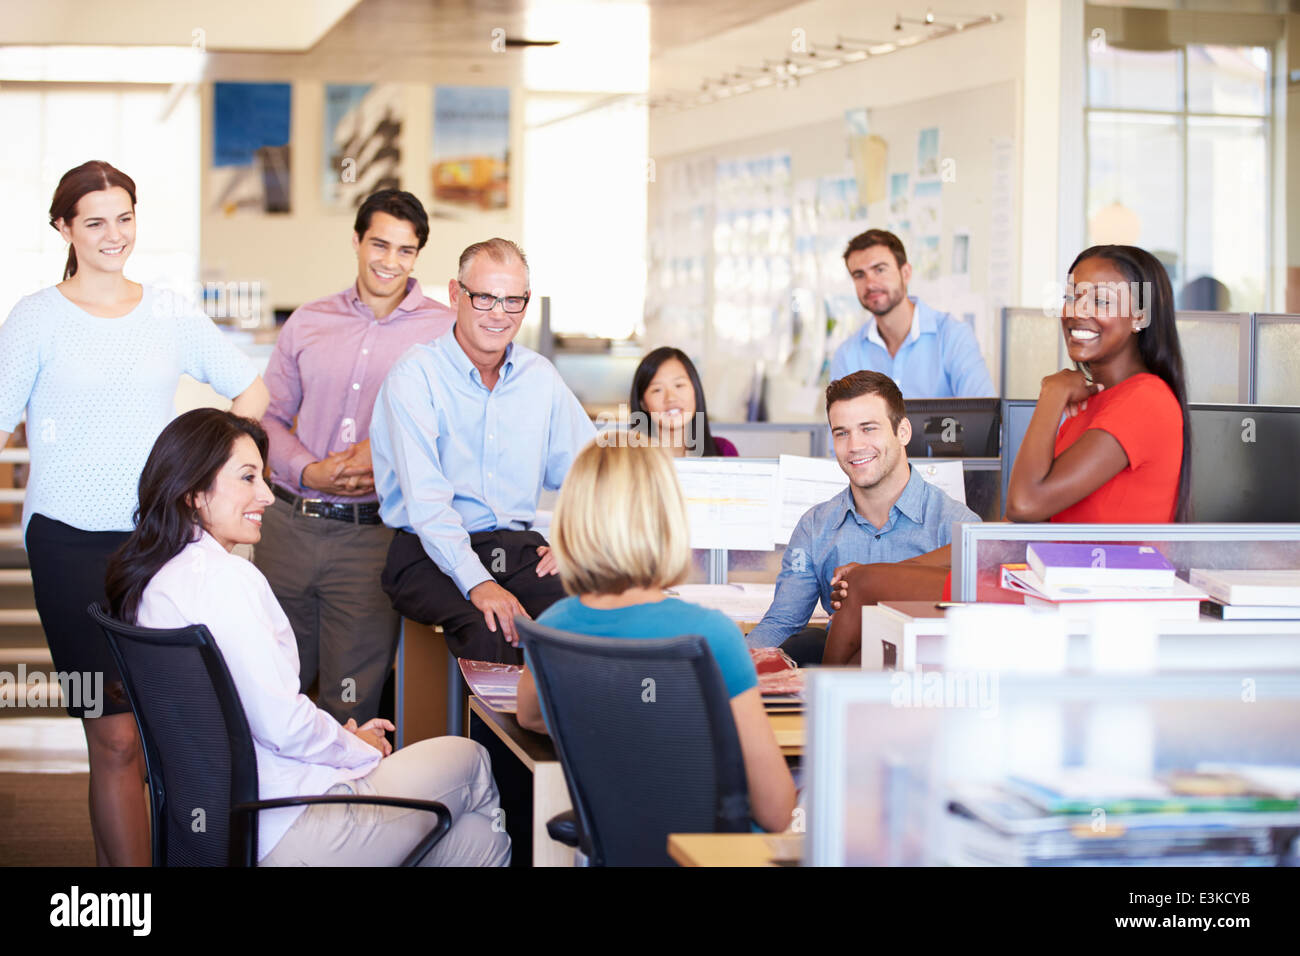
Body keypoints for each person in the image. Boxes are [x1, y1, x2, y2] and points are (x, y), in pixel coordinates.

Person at [0, 160, 268, 867]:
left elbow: (251, 393)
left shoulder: (170, 311)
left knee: (172, 728)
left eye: (124, 217)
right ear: (64, 227)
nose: (113, 235)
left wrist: (213, 486)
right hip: (67, 547)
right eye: (94, 221)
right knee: (112, 734)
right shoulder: (35, 317)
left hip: (161, 543)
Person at [106, 409, 510, 867]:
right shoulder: (226, 579)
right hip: (292, 825)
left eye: (264, 477)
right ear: (195, 493)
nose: (266, 495)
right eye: (247, 478)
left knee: (475, 837)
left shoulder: (157, 580)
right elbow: (281, 725)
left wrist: (339, 737)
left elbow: (252, 714)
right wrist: (354, 749)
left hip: (224, 827)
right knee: (471, 757)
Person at [515, 442, 797, 833]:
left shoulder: (552, 625)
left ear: (571, 523)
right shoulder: (711, 635)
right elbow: (777, 813)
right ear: (666, 521)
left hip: (617, 844)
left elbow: (530, 716)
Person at [255, 190, 454, 724]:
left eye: (405, 251)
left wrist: (387, 450)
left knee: (350, 704)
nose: (390, 262)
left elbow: (459, 431)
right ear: (357, 241)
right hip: (286, 529)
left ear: (418, 256)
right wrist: (308, 468)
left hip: (372, 538)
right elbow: (266, 419)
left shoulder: (444, 331)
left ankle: (341, 808)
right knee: (271, 692)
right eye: (380, 244)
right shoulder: (308, 321)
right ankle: (272, 810)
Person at [371, 238, 595, 663]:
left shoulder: (539, 377)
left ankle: (564, 731)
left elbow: (594, 474)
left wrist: (576, 542)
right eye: (486, 297)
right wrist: (478, 583)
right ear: (456, 295)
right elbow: (426, 504)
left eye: (513, 300)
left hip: (515, 548)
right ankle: (493, 734)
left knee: (585, 617)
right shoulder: (415, 376)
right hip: (426, 550)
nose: (499, 313)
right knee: (491, 628)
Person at [747, 371, 978, 667]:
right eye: (842, 433)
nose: (854, 445)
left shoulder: (958, 526)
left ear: (903, 432)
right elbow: (782, 623)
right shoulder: (815, 526)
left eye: (868, 429)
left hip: (924, 686)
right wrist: (729, 667)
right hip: (842, 680)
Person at [1006, 244, 1190, 524]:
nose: (1076, 312)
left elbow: (1024, 504)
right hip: (1052, 566)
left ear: (1140, 315)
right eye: (1072, 296)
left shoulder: (1145, 401)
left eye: (1101, 301)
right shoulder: (1092, 403)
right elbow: (1024, 522)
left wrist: (1052, 392)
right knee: (919, 566)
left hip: (1099, 568)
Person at [830, 229, 994, 398]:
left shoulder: (953, 337)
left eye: (879, 270)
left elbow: (985, 418)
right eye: (859, 275)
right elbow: (839, 423)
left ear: (906, 273)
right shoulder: (847, 354)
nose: (870, 283)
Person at [627, 346, 737, 456]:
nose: (670, 398)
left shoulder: (723, 451)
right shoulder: (627, 459)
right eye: (657, 390)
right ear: (643, 403)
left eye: (679, 385)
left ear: (695, 390)